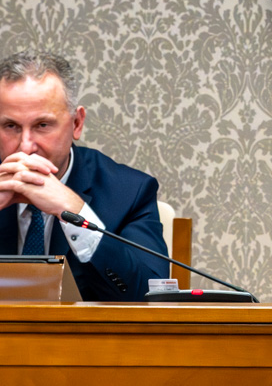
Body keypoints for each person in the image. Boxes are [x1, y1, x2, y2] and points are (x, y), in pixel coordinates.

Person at [0, 51, 169, 299]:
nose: (26, 146)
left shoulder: (129, 192)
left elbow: (149, 296)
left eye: (42, 125)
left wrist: (74, 210)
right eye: (10, 126)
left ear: (77, 123)